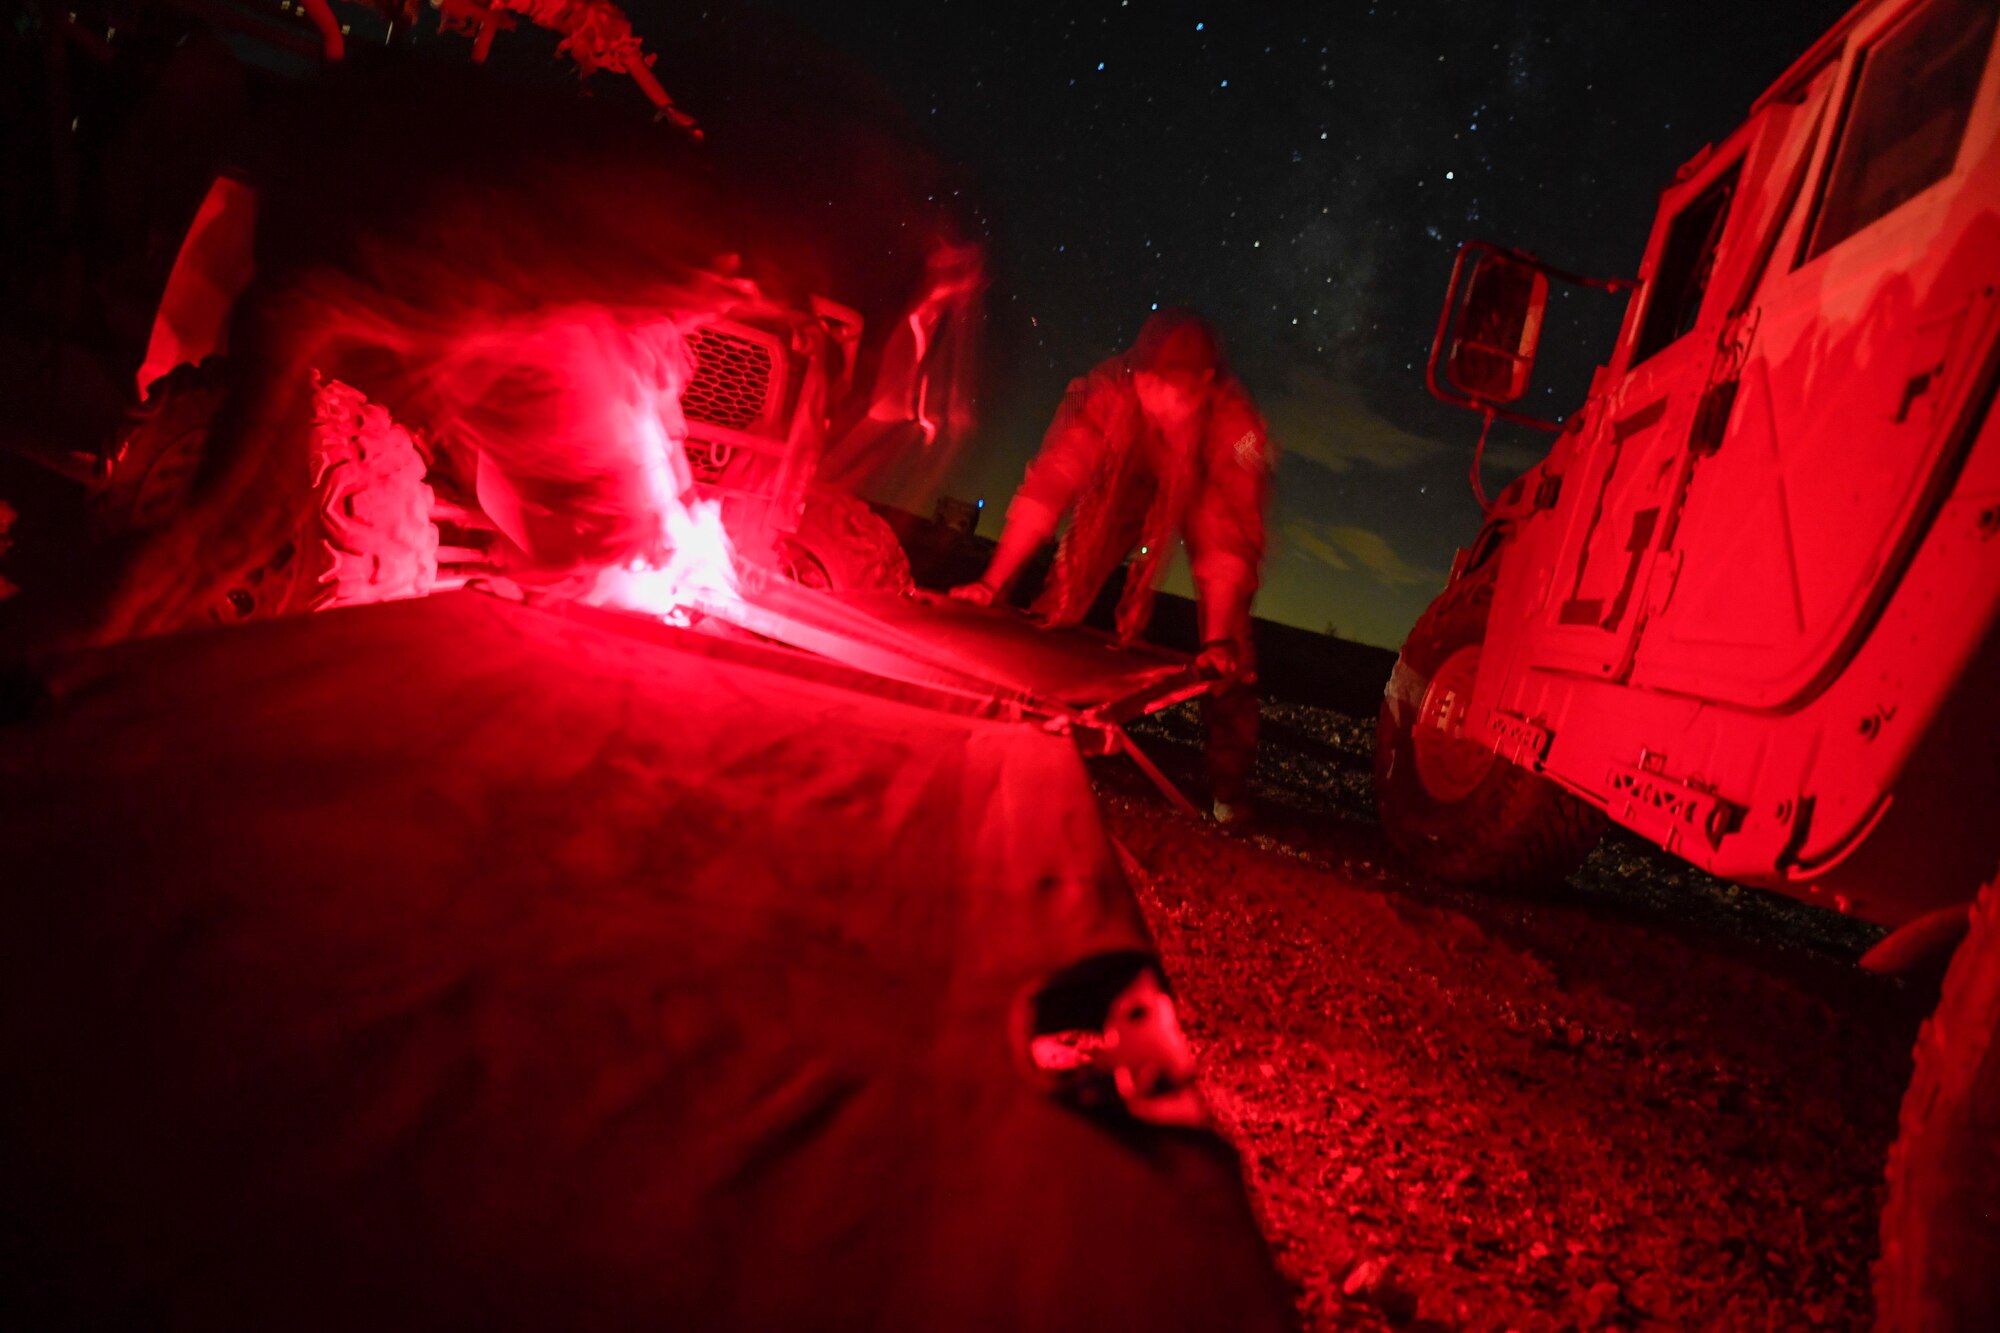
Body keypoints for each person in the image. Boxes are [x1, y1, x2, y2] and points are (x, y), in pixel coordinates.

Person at [951, 308, 1273, 823]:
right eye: (1147, 381)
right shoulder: (1102, 389)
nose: (1155, 397)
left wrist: (1216, 640)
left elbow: (1229, 539)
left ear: (1205, 384)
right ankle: (1024, 729)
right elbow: (1050, 481)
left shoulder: (1239, 432)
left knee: (1230, 647)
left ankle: (1228, 791)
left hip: (1203, 483)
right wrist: (991, 583)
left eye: (1171, 389)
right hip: (1122, 473)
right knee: (1062, 595)